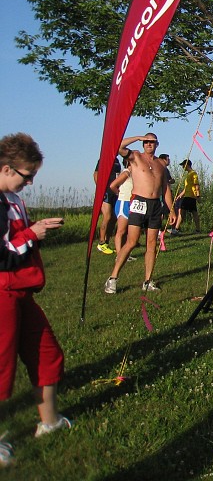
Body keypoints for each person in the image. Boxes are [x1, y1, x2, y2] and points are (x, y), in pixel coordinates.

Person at [1, 132, 71, 464]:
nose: (29, 183)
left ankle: (50, 422)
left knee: (46, 353)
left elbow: (17, 242)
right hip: (3, 294)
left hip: (23, 293)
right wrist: (32, 234)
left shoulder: (13, 200)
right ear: (6, 168)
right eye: (27, 176)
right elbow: (3, 254)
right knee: (1, 367)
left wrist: (34, 229)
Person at [104, 133, 176, 294]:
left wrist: (171, 209)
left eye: (152, 142)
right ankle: (113, 278)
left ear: (157, 144)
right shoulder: (135, 157)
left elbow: (165, 189)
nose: (149, 144)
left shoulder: (160, 164)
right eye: (146, 142)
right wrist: (138, 137)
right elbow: (119, 147)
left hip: (155, 205)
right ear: (143, 144)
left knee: (152, 244)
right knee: (131, 241)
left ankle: (148, 280)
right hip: (138, 203)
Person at [93, 155, 121, 254]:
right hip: (106, 192)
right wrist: (100, 189)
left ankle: (107, 242)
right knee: (107, 216)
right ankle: (101, 242)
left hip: (115, 192)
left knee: (114, 218)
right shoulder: (104, 159)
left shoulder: (117, 161)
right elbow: (96, 174)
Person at [175, 159, 201, 234]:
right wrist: (180, 195)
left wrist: (198, 196)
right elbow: (187, 187)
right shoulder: (188, 174)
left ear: (187, 165)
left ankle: (176, 229)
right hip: (188, 195)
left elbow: (196, 185)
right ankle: (198, 230)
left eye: (183, 165)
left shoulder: (193, 173)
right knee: (193, 212)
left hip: (190, 196)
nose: (183, 167)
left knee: (182, 211)